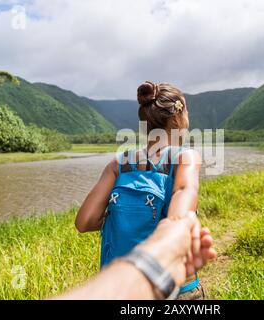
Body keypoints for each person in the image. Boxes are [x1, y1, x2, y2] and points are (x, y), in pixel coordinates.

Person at [75, 81, 204, 298]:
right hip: (173, 286)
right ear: (177, 118)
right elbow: (184, 190)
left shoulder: (119, 163)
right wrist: (173, 229)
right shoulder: (185, 157)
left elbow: (84, 222)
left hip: (124, 287)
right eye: (187, 110)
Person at [57, 213, 216, 300]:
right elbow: (181, 215)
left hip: (120, 281)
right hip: (176, 284)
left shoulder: (119, 167)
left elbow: (84, 222)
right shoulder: (182, 161)